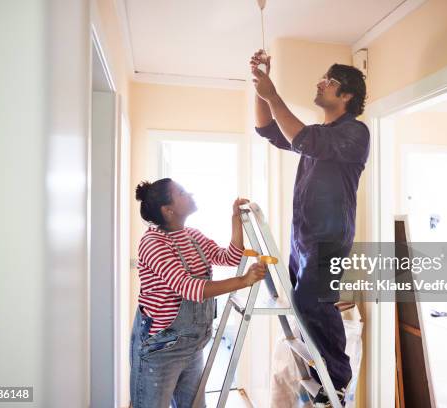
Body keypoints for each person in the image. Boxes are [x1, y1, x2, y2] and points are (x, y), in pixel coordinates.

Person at [250, 50, 370, 407]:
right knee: (302, 306)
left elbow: (303, 139)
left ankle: (337, 379)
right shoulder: (320, 132)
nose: (321, 82)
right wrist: (260, 87)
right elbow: (267, 129)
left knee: (313, 302)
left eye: (329, 80)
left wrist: (273, 94)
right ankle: (322, 377)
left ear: (346, 94)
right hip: (303, 239)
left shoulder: (355, 133)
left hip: (328, 239)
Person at [130, 178, 267, 408]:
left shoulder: (192, 236)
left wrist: (235, 218)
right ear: (168, 210)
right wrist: (243, 281)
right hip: (161, 349)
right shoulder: (153, 242)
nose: (189, 192)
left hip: (192, 346)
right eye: (182, 192)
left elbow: (230, 256)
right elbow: (190, 288)